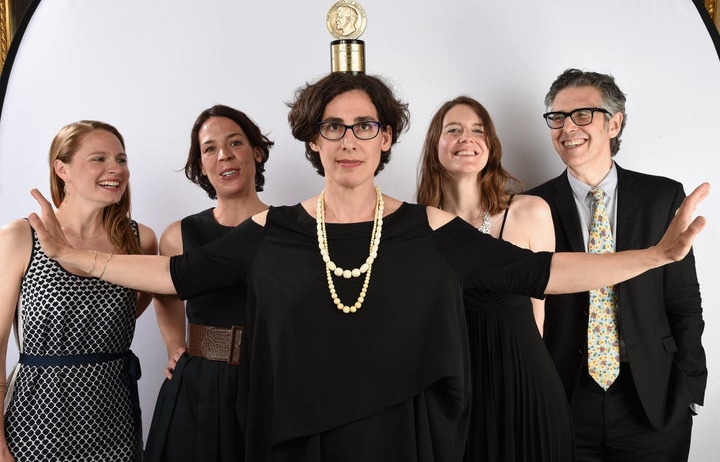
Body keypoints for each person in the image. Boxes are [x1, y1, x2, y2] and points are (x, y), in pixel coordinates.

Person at [26, 73, 707, 462]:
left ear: (385, 139)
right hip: (302, 439)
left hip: (405, 441)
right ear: (311, 140)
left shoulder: (429, 227)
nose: (348, 139)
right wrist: (71, 255)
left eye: (364, 126)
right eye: (333, 126)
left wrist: (655, 256)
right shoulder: (276, 229)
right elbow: (175, 278)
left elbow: (540, 273)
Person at [527, 68, 707, 462]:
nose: (567, 127)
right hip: (565, 399)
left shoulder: (662, 197)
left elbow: (684, 303)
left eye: (582, 114)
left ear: (615, 123)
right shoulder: (530, 207)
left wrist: (689, 388)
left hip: (651, 399)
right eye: (557, 117)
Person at [417, 96, 573, 461]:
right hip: (453, 397)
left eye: (478, 131)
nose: (465, 138)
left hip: (526, 386)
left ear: (490, 147)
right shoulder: (415, 227)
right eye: (452, 130)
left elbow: (540, 314)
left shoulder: (529, 211)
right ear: (434, 147)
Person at [0, 120, 157, 461]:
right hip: (36, 421)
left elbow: (131, 312)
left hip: (113, 420)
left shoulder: (140, 240)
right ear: (62, 169)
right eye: (98, 158)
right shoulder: (21, 236)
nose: (116, 168)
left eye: (121, 159)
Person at [144, 105, 273, 461]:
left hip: (271, 381)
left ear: (256, 151)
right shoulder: (178, 235)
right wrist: (174, 345)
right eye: (210, 149)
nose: (224, 156)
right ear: (201, 164)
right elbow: (164, 294)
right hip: (198, 385)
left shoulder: (290, 227)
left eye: (235, 142)